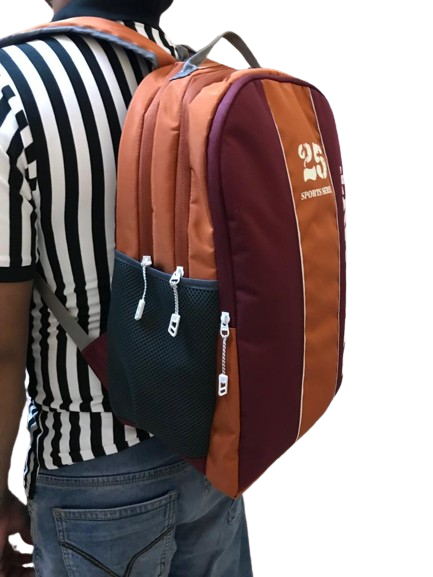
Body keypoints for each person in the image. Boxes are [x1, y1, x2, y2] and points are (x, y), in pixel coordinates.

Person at [0, 1, 254, 575]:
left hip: (90, 471)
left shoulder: (13, 86)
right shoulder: (205, 77)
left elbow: (2, 351)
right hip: (213, 449)